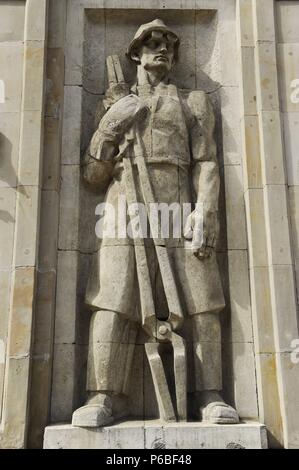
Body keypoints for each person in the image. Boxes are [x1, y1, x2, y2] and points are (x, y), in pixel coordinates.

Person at [72, 19, 239, 427]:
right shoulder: (112, 104)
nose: (160, 49)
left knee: (202, 299)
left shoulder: (193, 101)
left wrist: (205, 211)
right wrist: (110, 126)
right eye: (150, 43)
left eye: (167, 44)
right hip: (122, 205)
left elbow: (206, 162)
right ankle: (103, 396)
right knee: (113, 295)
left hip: (178, 200)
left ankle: (210, 394)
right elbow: (92, 176)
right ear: (136, 53)